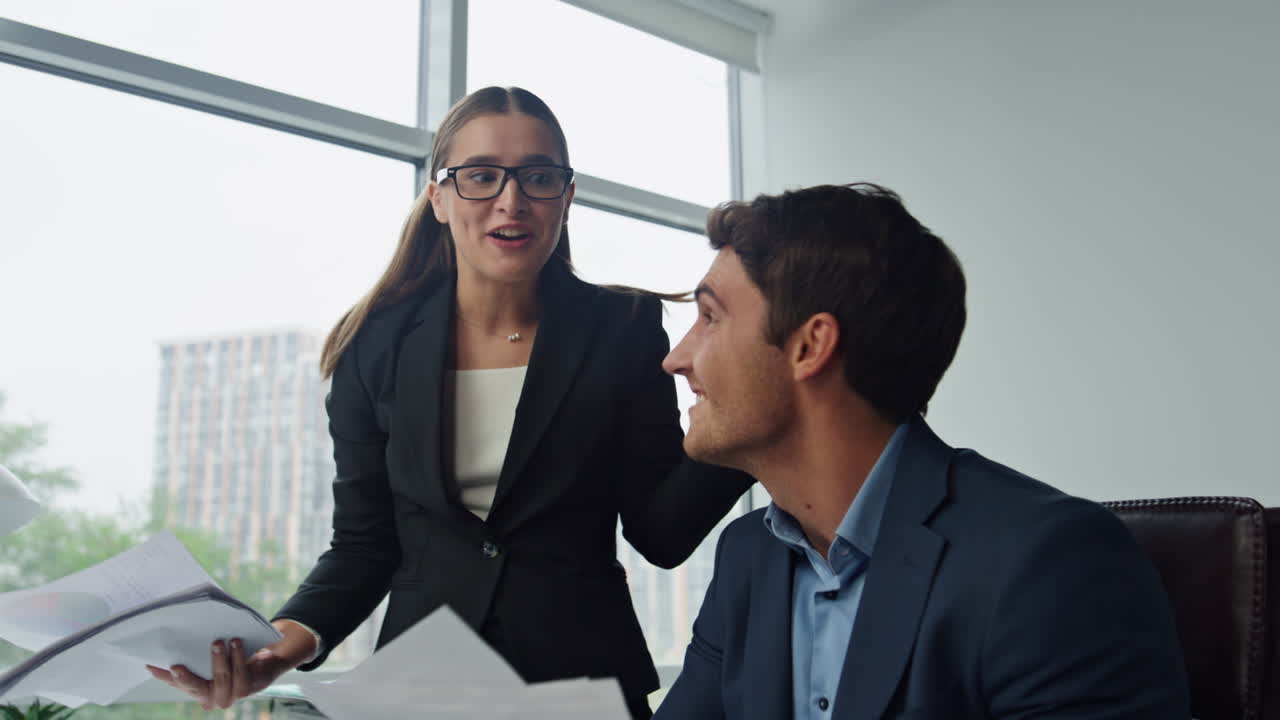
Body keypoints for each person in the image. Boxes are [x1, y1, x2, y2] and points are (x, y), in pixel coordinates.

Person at [147, 86, 752, 718]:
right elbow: (364, 545)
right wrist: (279, 647)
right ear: (438, 197)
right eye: (482, 176)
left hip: (583, 687)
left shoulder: (622, 328)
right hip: (421, 691)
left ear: (567, 197)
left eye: (539, 177)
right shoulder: (374, 343)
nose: (511, 200)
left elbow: (660, 531)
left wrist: (754, 421)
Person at [653, 184, 1189, 719]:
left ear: (810, 346)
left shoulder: (1051, 564)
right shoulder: (748, 555)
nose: (675, 359)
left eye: (710, 317)